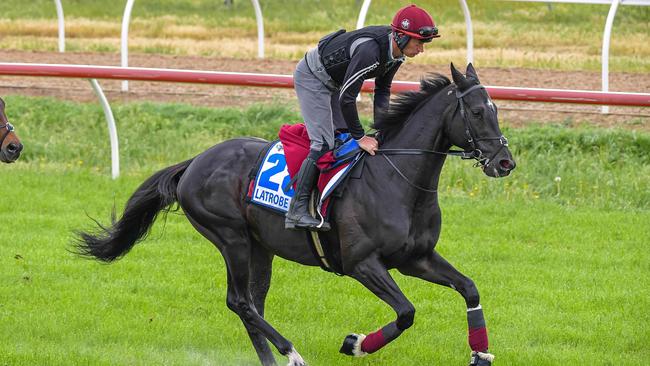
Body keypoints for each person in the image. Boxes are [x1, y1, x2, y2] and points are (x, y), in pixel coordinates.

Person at [286, 4, 440, 232]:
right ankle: (296, 211)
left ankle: (334, 203)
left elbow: (382, 91)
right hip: (313, 78)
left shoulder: (396, 54)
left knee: (342, 139)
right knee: (324, 143)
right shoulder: (370, 51)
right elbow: (347, 99)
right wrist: (360, 137)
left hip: (335, 82)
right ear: (400, 36)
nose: (421, 49)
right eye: (418, 42)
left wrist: (382, 130)